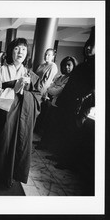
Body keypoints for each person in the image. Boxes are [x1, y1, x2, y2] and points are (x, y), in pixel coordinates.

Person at [0, 38, 42, 188]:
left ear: (27, 52)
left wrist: (24, 92)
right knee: (1, 144)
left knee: (18, 145)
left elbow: (38, 96)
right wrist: (13, 89)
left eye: (23, 49)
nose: (20, 52)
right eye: (16, 49)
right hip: (4, 111)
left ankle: (11, 176)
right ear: (11, 51)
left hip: (22, 114)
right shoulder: (1, 70)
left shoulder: (29, 73)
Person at [49, 27, 95, 170]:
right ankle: (59, 156)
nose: (89, 48)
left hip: (81, 107)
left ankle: (67, 162)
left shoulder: (97, 66)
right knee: (64, 131)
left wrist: (82, 102)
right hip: (69, 105)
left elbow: (94, 90)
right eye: (87, 45)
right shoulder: (82, 66)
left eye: (92, 46)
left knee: (73, 134)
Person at [35, 56, 78, 150]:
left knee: (55, 128)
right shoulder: (60, 77)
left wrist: (53, 88)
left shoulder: (71, 79)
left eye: (69, 65)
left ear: (74, 66)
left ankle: (47, 146)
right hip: (54, 104)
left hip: (63, 107)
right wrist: (53, 88)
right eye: (64, 65)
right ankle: (43, 143)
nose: (66, 67)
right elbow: (50, 87)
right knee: (48, 125)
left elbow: (55, 91)